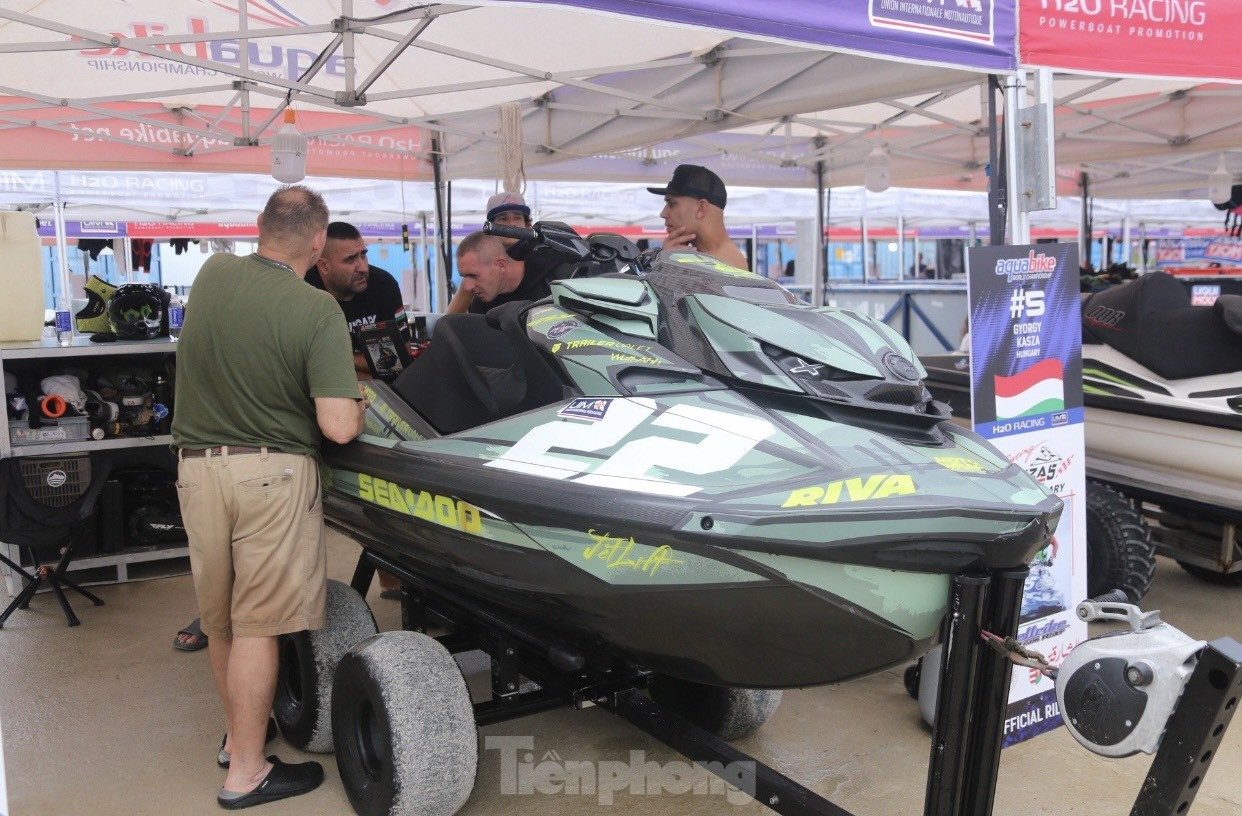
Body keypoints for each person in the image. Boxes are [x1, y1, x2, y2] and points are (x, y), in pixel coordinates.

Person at [172, 185, 364, 809]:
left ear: (258, 226)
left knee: (222, 618)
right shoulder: (316, 310)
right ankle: (247, 773)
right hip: (271, 479)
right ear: (317, 243)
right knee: (260, 626)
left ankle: (237, 736)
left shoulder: (211, 272)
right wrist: (360, 399)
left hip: (198, 472)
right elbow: (337, 425)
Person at [305, 221, 407, 377]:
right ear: (324, 266)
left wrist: (338, 360)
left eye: (363, 254)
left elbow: (399, 358)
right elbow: (306, 367)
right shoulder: (305, 292)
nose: (363, 268)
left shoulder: (384, 285)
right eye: (350, 259)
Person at [448, 191, 566, 314]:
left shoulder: (550, 261)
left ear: (528, 226)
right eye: (503, 219)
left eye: (517, 217)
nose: (512, 224)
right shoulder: (481, 283)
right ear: (490, 228)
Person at [647, 164, 747, 270]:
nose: (663, 214)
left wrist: (667, 264)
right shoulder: (721, 257)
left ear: (701, 208)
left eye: (672, 204)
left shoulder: (716, 264)